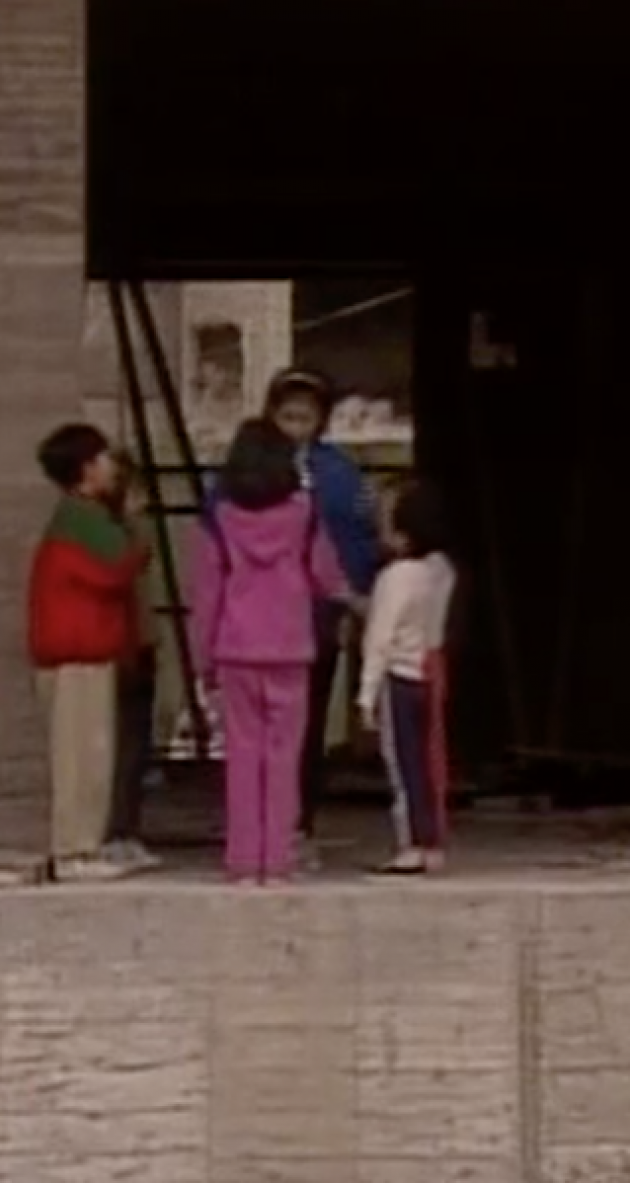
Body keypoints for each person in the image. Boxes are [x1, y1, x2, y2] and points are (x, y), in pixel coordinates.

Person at [186, 417, 350, 884]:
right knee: (284, 756)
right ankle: (277, 859)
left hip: (236, 646)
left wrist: (204, 658)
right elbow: (326, 575)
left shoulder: (217, 521)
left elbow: (206, 594)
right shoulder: (305, 514)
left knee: (242, 754)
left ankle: (242, 861)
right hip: (290, 645)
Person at [259, 367, 383, 867]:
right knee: (261, 730)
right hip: (261, 617)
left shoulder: (340, 473)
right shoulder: (251, 467)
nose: (295, 427)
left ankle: (299, 821)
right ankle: (259, 827)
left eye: (305, 417)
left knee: (306, 726)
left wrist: (355, 596)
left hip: (317, 618)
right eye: (286, 417)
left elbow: (357, 538)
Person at [27, 423, 148, 882]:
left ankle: (79, 846)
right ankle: (75, 848)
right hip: (78, 652)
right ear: (86, 468)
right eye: (103, 459)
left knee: (84, 752)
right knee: (83, 755)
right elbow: (117, 567)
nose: (111, 467)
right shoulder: (85, 518)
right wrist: (134, 524)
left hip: (75, 651)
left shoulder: (75, 515)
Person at [355, 479, 458, 874]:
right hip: (428, 671)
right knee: (427, 761)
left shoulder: (395, 576)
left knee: (402, 765)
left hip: (397, 676)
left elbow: (380, 638)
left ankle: (411, 843)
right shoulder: (441, 570)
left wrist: (365, 694)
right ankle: (432, 841)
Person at [99, 455, 166, 870]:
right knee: (125, 745)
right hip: (126, 647)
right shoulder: (122, 538)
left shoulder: (127, 535)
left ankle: (125, 827)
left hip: (138, 643)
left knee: (134, 746)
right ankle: (118, 829)